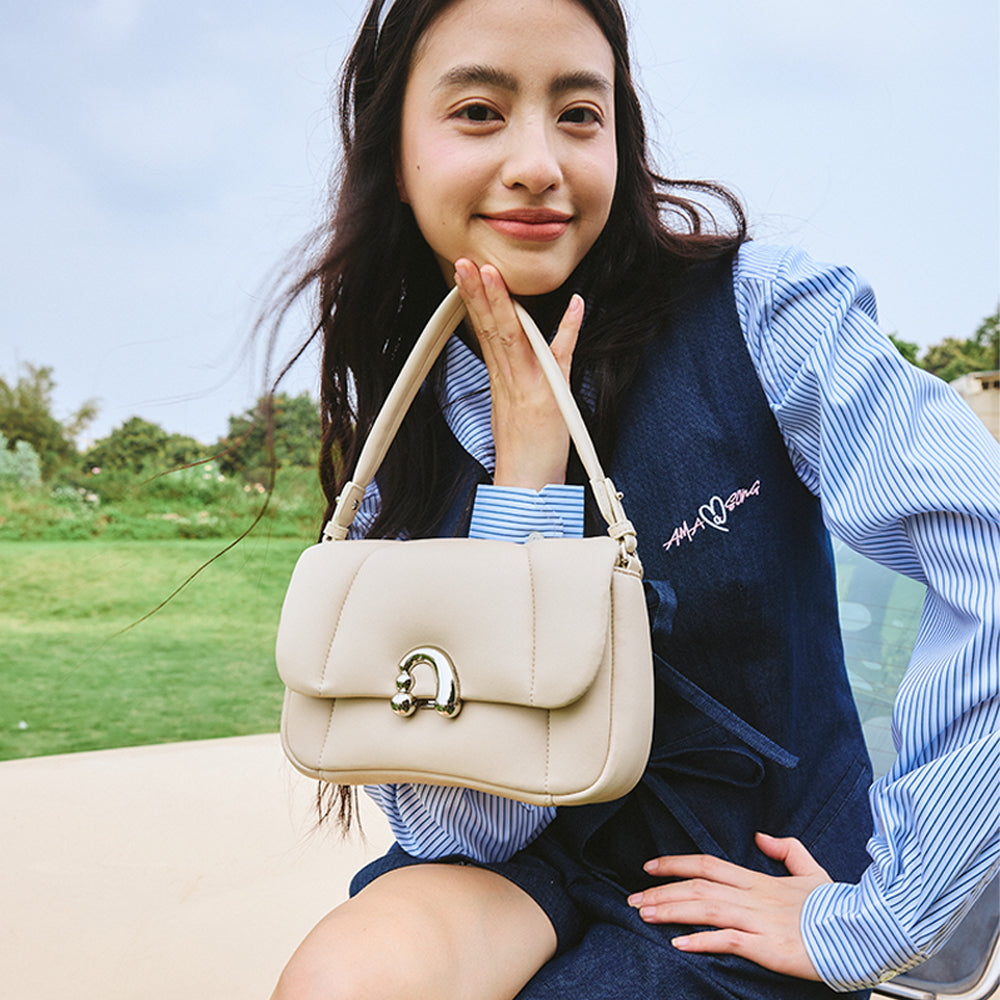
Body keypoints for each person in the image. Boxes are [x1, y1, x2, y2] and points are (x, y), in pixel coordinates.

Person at [269, 0, 1000, 996]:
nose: (539, 163)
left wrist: (889, 914)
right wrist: (524, 493)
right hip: (521, 865)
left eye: (579, 113)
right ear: (393, 152)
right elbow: (461, 832)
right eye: (479, 111)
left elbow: (986, 558)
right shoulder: (402, 434)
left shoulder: (764, 315)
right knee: (342, 979)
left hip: (744, 875)